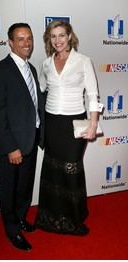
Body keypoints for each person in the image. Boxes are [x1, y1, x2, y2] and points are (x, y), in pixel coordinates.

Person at [34, 20, 103, 236]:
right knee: (52, 170)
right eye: (53, 37)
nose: (58, 41)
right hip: (52, 122)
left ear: (70, 36)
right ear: (49, 39)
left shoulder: (83, 61)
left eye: (61, 35)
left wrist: (93, 124)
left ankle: (74, 216)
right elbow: (42, 91)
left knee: (71, 168)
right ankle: (51, 215)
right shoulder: (45, 64)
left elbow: (92, 94)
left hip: (75, 122)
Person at [0, 23, 44, 251]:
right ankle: (12, 231)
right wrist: (11, 147)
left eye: (29, 38)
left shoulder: (30, 69)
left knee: (24, 187)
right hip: (11, 145)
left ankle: (20, 218)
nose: (26, 43)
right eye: (20, 39)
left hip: (30, 140)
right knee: (9, 190)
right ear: (10, 42)